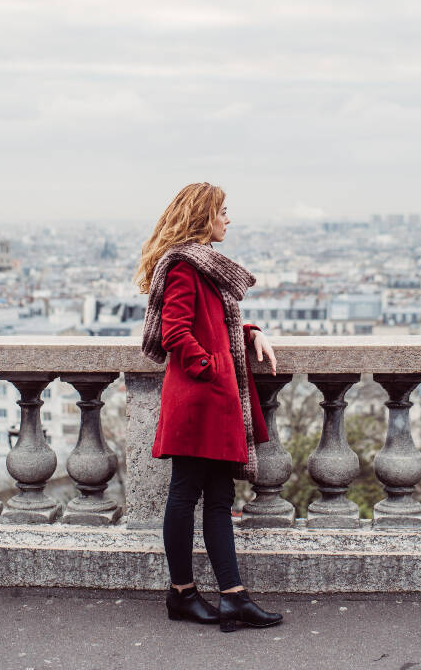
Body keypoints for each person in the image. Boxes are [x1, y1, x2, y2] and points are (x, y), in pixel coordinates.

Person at [136, 182, 283, 633]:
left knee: (218, 498)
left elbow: (216, 319)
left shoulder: (205, 266)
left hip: (214, 400)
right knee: (185, 494)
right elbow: (175, 331)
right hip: (201, 400)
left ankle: (232, 596)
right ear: (203, 216)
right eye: (222, 211)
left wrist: (251, 331)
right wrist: (212, 367)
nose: (228, 219)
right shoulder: (184, 265)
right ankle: (181, 593)